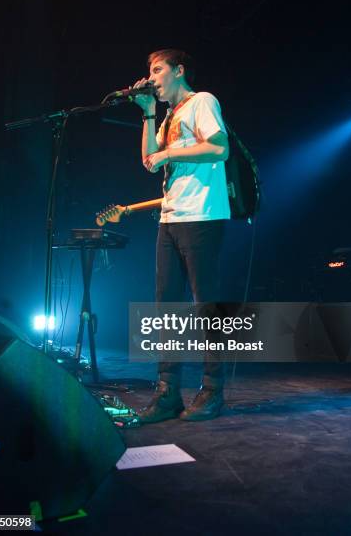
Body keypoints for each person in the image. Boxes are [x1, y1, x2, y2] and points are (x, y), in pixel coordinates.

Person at [133, 49, 230, 422]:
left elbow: (219, 148)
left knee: (205, 305)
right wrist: (147, 111)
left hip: (202, 215)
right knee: (167, 308)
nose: (153, 77)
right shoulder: (169, 116)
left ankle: (212, 389)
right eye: (150, 71)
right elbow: (148, 159)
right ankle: (168, 392)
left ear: (179, 70)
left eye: (158, 70)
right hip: (170, 218)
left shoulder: (201, 101)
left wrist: (169, 153)